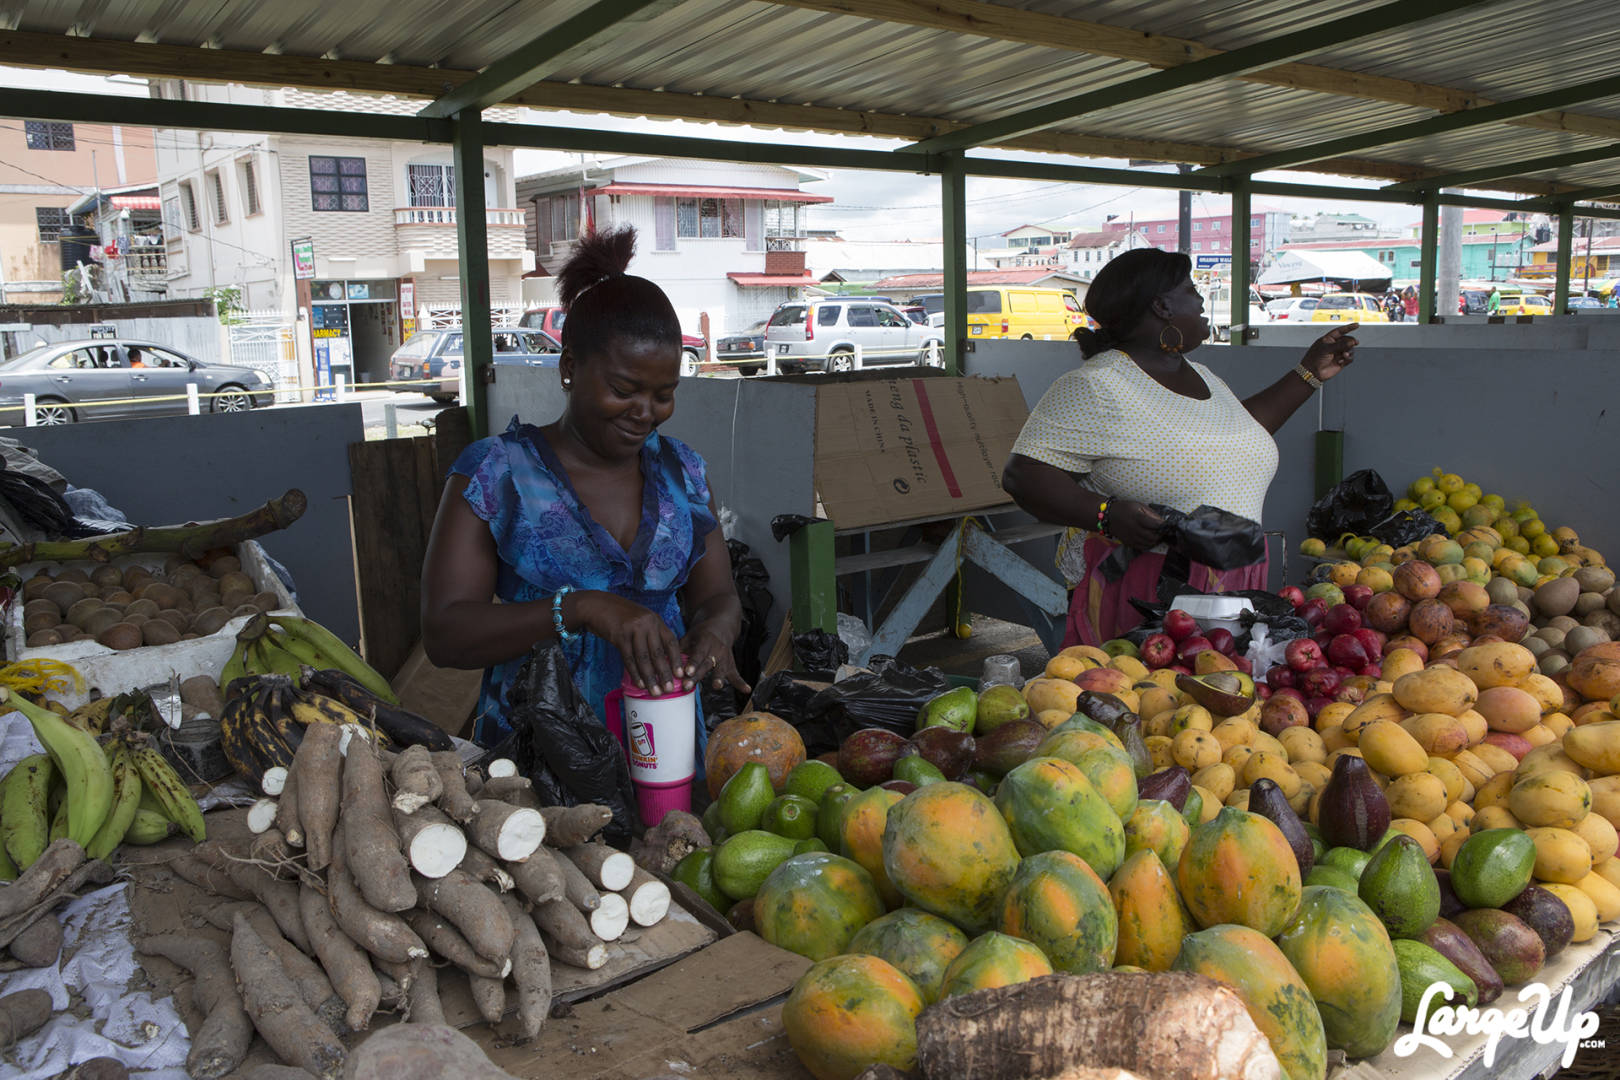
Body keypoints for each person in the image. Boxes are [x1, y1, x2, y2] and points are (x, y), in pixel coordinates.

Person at [420, 225, 749, 747]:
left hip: (663, 743)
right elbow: (445, 635)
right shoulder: (494, 473)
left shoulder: (683, 472)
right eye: (625, 389)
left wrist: (717, 631)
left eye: (664, 394)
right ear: (570, 366)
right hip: (535, 760)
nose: (646, 413)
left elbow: (719, 595)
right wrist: (580, 608)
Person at [1001, 248, 1357, 648]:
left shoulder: (1201, 375)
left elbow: (1239, 434)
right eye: (1191, 290)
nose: (1202, 301)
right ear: (1162, 306)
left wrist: (1309, 373)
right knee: (1149, 699)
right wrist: (1105, 514)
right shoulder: (1096, 386)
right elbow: (1022, 475)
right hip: (1153, 590)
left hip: (1237, 582)